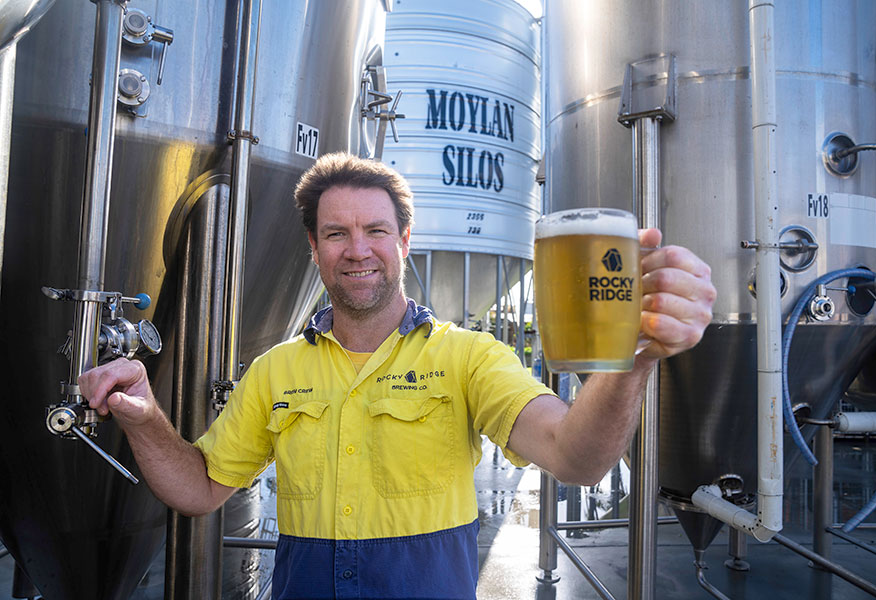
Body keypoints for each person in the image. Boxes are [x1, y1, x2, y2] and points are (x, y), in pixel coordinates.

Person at [79, 152, 716, 599]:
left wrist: (633, 363)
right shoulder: (276, 370)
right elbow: (199, 488)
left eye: (375, 230)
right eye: (336, 233)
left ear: (404, 240)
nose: (357, 249)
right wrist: (146, 416)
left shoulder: (470, 357)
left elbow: (574, 458)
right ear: (314, 248)